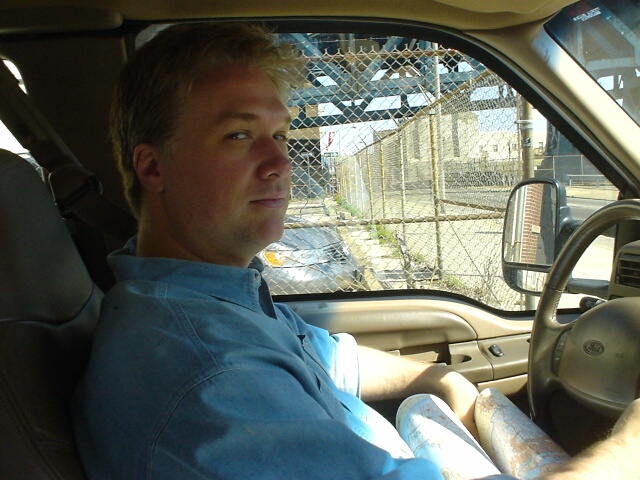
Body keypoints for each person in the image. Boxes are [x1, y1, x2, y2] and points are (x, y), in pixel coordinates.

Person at [72, 22, 640, 480]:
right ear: (153, 168)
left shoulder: (210, 298)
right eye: (239, 135)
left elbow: (328, 359)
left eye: (280, 134)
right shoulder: (211, 380)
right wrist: (628, 449)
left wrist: (437, 381)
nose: (280, 162)